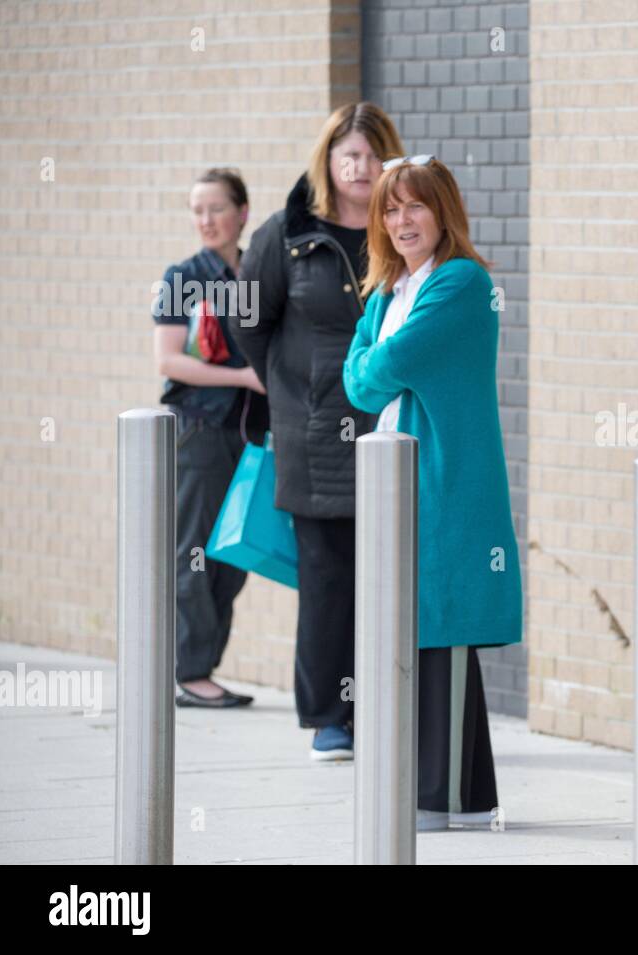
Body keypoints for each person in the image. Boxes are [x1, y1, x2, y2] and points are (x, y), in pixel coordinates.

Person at [342, 155, 522, 829]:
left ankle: (445, 797)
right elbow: (357, 382)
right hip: (395, 481)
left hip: (444, 480)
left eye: (414, 205)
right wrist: (373, 366)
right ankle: (458, 797)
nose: (401, 219)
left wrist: (373, 366)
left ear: (442, 210)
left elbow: (384, 364)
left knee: (442, 626)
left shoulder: (461, 282)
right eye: (390, 209)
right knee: (413, 629)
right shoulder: (388, 293)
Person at [231, 103, 404, 760]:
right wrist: (290, 387)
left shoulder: (405, 225)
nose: (360, 167)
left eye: (370, 153)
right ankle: (331, 716)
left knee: (392, 572)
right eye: (347, 155)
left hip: (393, 422)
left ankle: (389, 705)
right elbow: (249, 319)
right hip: (316, 429)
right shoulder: (286, 234)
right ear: (328, 161)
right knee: (328, 576)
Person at [152, 167, 269, 708]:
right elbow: (168, 359)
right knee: (195, 550)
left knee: (234, 551)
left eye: (216, 208)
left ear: (242, 213)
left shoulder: (259, 273)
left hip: (249, 436)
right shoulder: (184, 278)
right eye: (197, 210)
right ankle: (191, 671)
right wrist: (243, 377)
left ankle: (203, 665)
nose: (206, 220)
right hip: (198, 430)